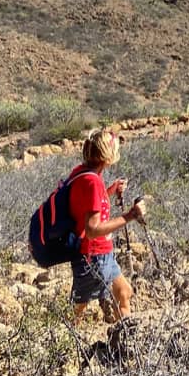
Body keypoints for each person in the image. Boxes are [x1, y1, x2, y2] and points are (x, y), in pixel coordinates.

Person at [67, 128, 145, 323]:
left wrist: (110, 190)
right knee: (77, 310)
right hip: (93, 257)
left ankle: (126, 337)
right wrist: (131, 215)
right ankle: (63, 336)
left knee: (124, 292)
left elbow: (89, 206)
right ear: (108, 156)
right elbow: (92, 230)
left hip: (101, 254)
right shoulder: (92, 182)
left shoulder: (84, 173)